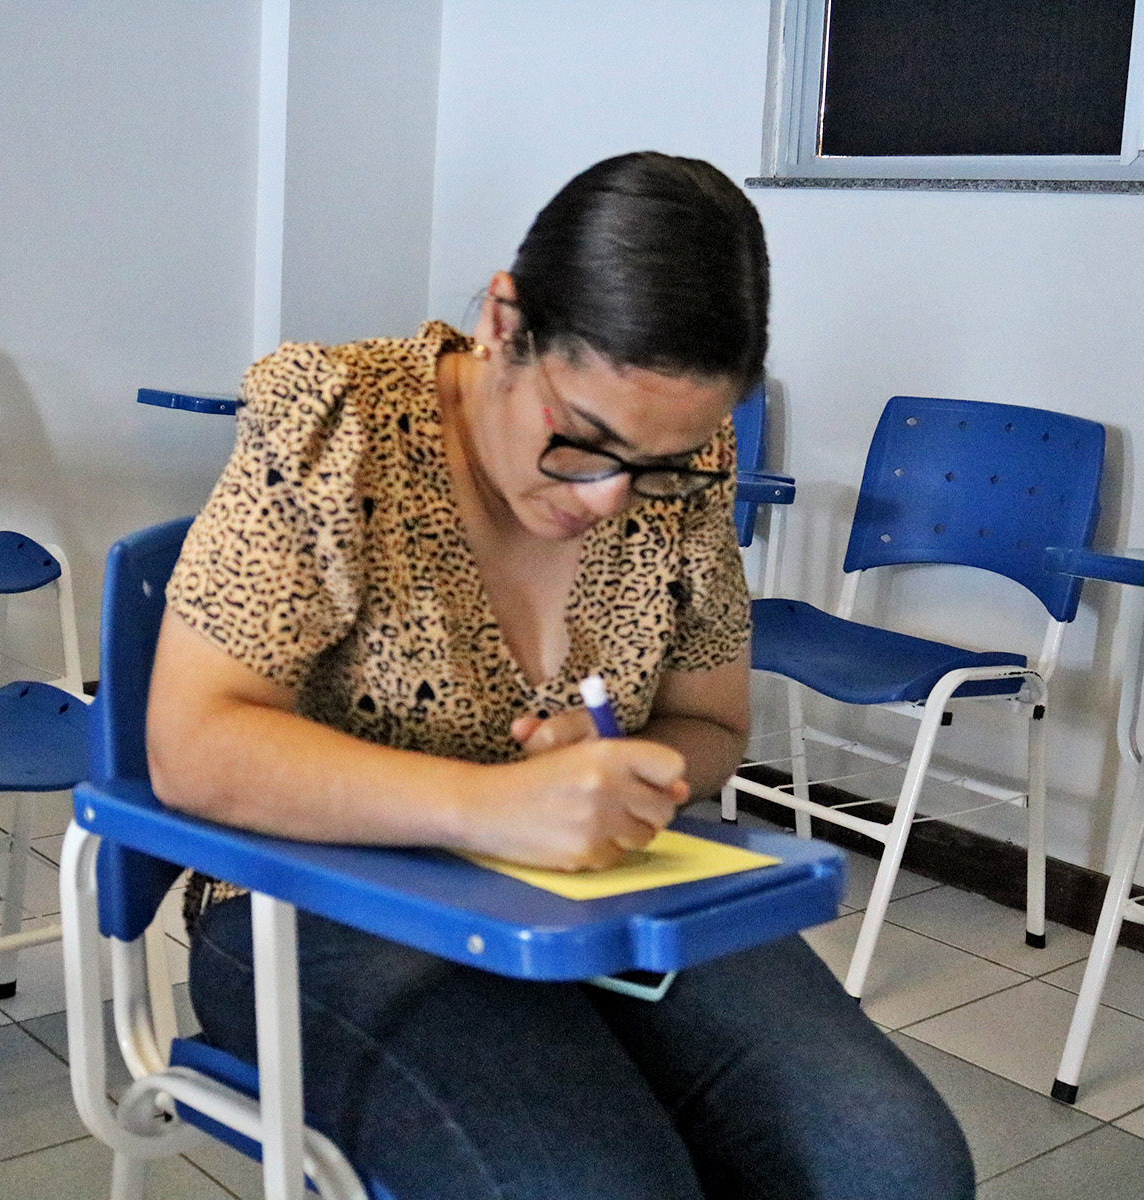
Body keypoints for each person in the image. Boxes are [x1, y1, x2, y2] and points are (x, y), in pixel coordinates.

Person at [147, 152, 974, 1199]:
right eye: (583, 441)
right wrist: (494, 806)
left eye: (656, 464)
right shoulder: (341, 420)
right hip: (317, 904)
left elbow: (710, 725)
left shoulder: (691, 463)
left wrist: (632, 769)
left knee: (894, 1167)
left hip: (592, 894)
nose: (609, 500)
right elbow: (193, 746)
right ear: (503, 323)